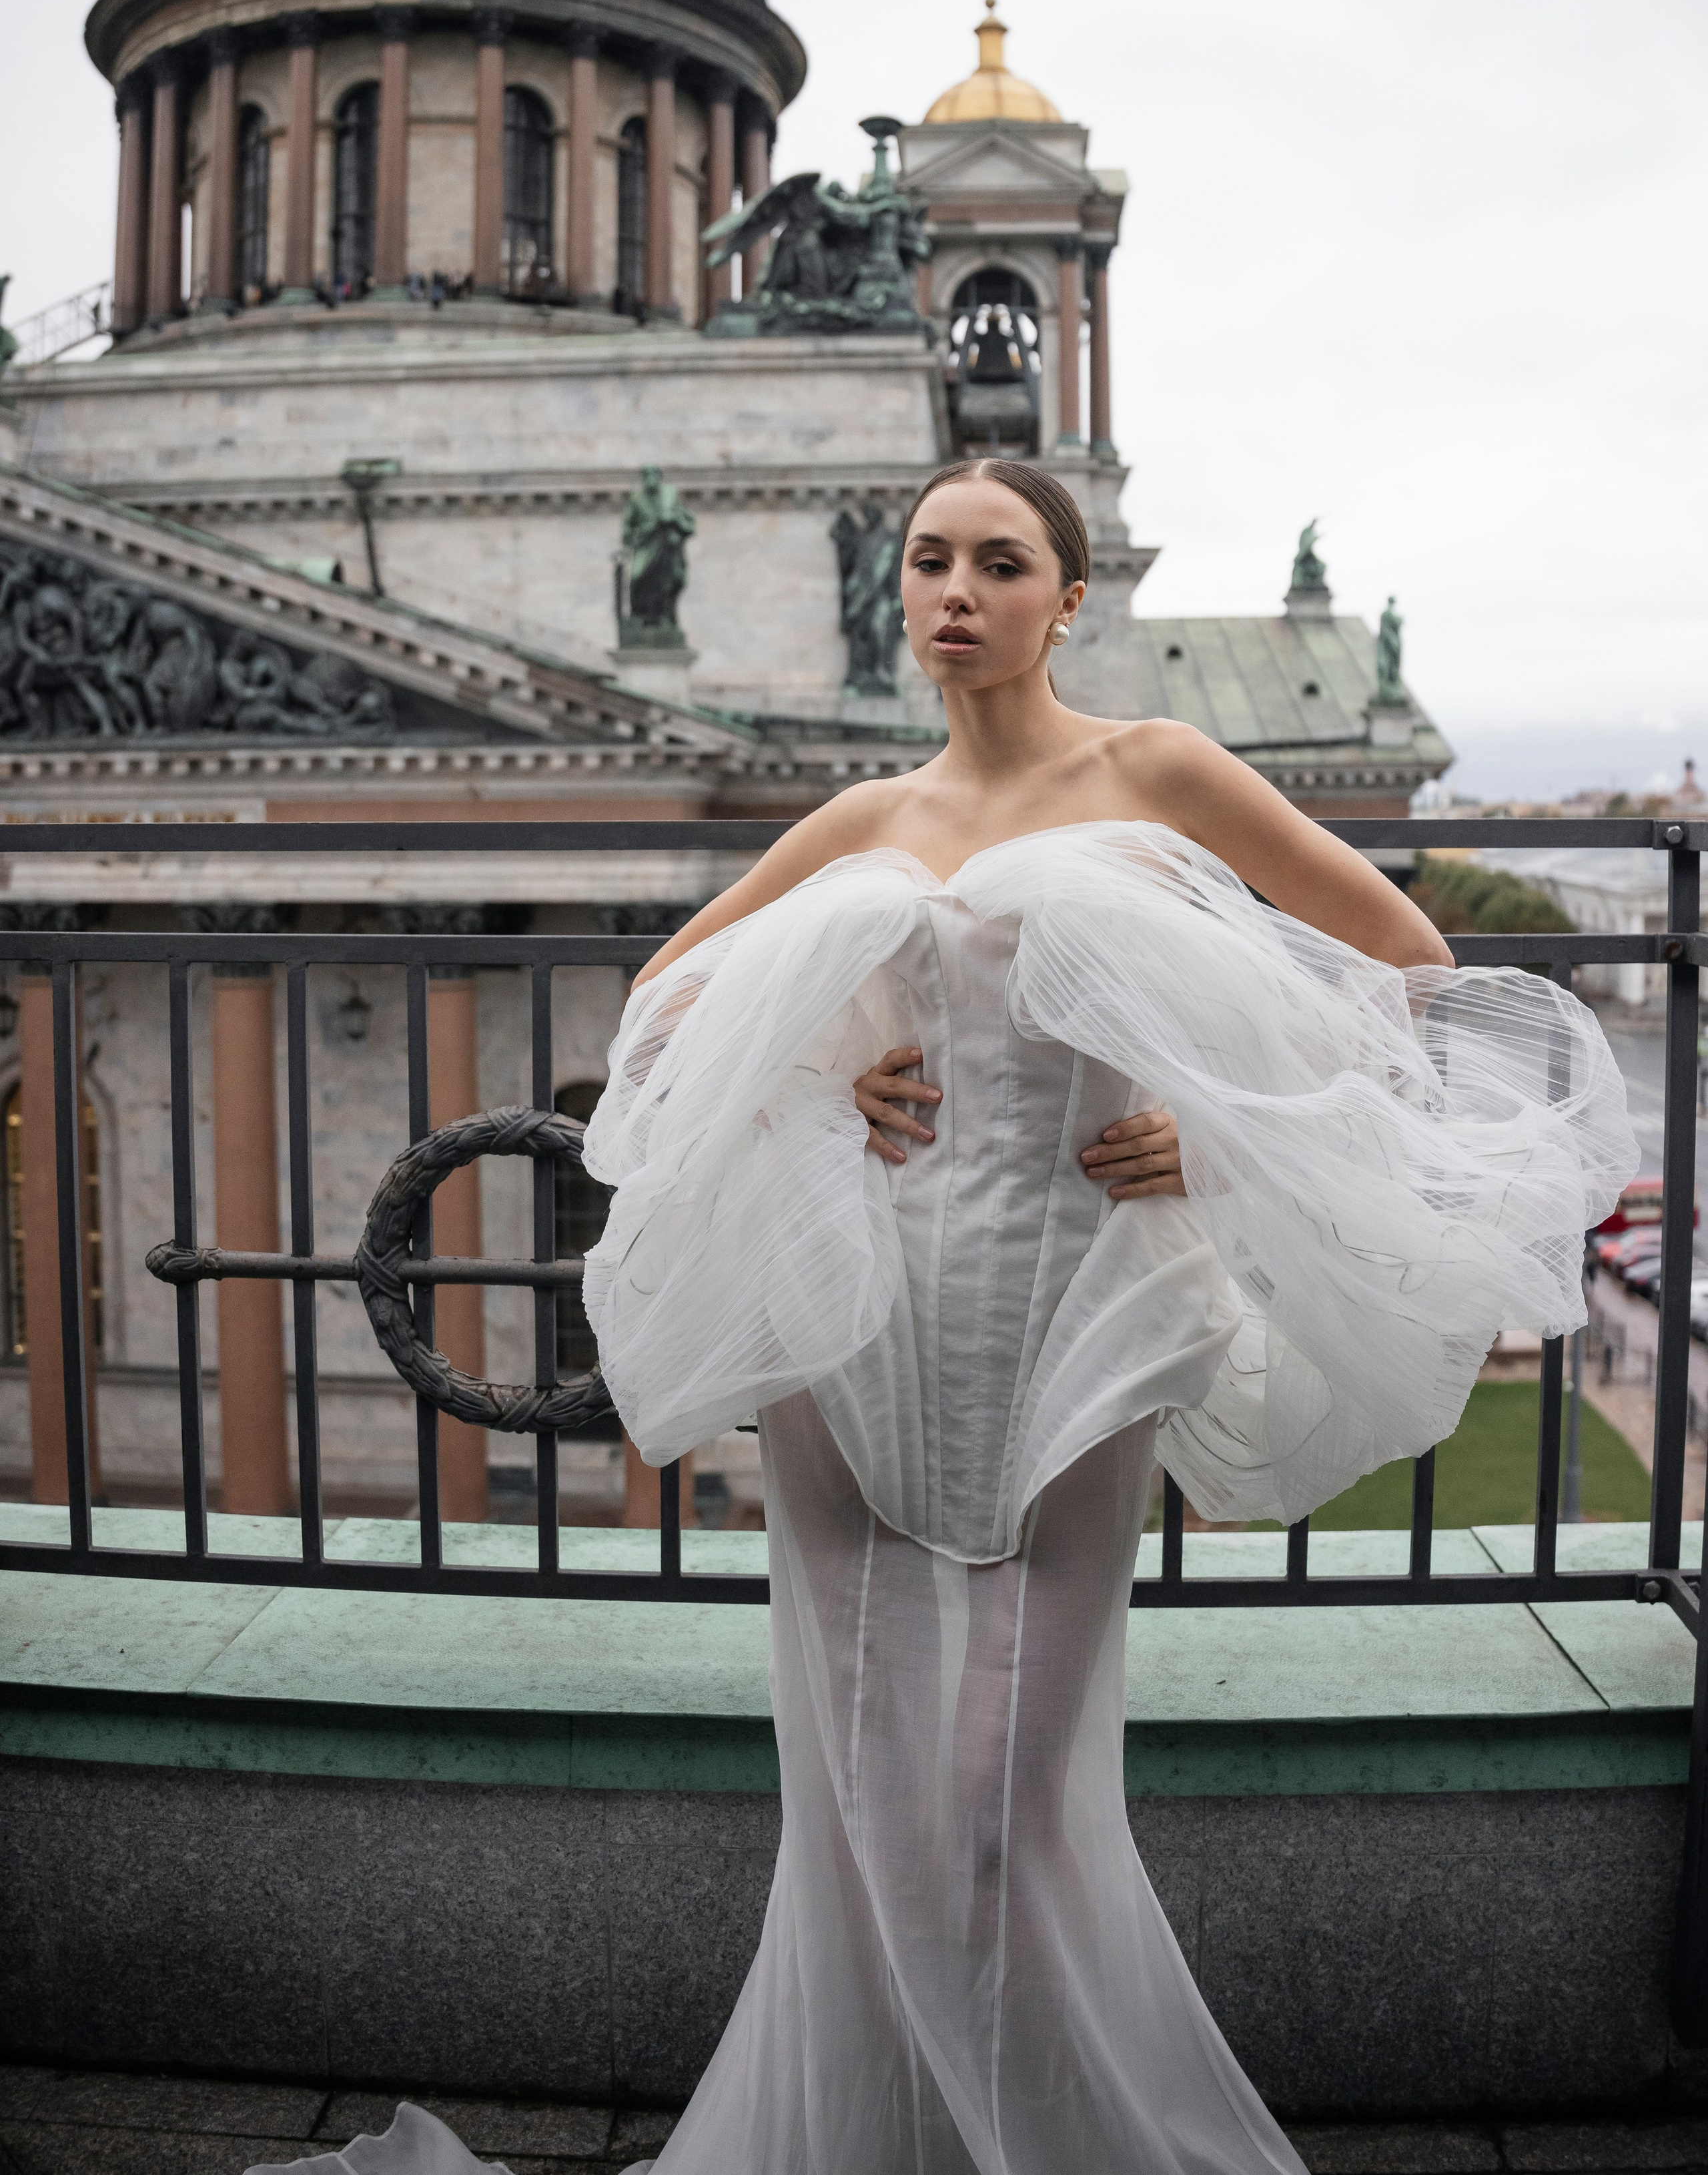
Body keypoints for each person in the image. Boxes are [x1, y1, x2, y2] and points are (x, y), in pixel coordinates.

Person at [260, 459, 1633, 2175]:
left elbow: (1406, 962)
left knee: (1003, 1799)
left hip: (1082, 1319)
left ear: (1068, 596)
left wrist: (1216, 1137)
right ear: (898, 591)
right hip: (862, 1329)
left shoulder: (1156, 767)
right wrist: (823, 1079)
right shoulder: (862, 815)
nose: (957, 590)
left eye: (999, 561)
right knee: (854, 1794)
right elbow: (664, 1003)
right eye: (928, 560)